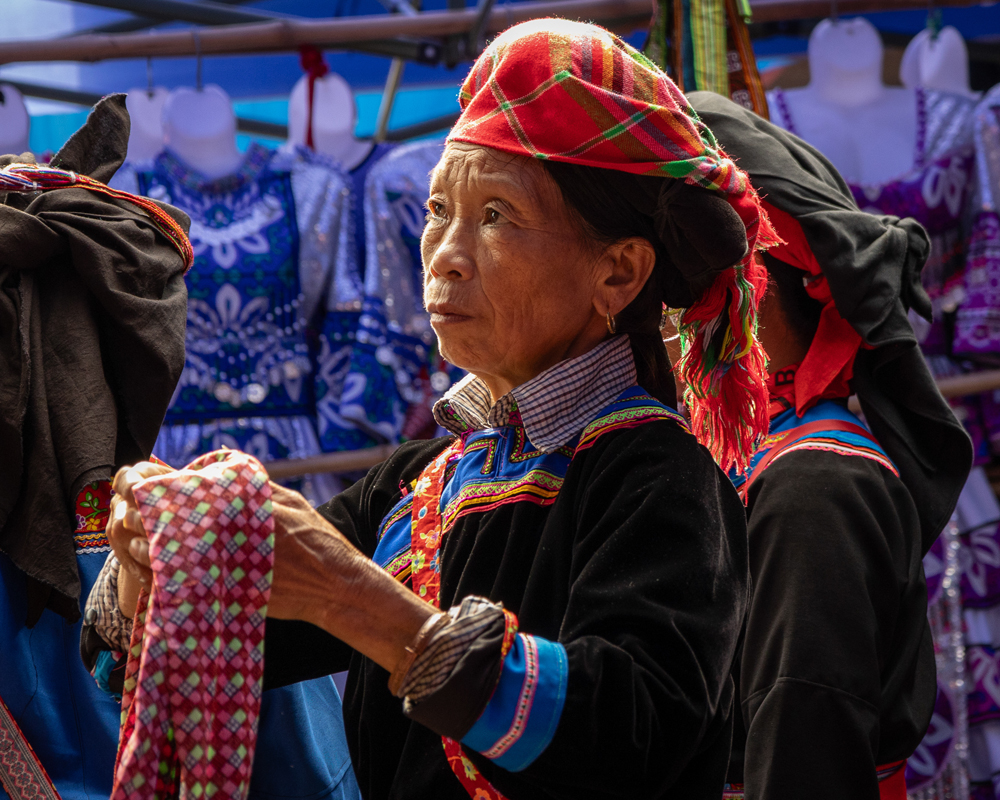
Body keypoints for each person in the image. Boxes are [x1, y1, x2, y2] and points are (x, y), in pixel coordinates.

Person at [106, 19, 782, 800]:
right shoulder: (414, 483)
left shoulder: (659, 478)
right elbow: (203, 649)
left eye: (495, 216)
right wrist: (153, 556)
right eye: (438, 210)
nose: (444, 252)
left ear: (619, 273)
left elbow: (624, 739)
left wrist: (352, 599)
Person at [687, 92, 973, 799]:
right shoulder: (737, 458)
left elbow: (804, 758)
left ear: (748, 296)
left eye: (672, 290)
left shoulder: (813, 489)